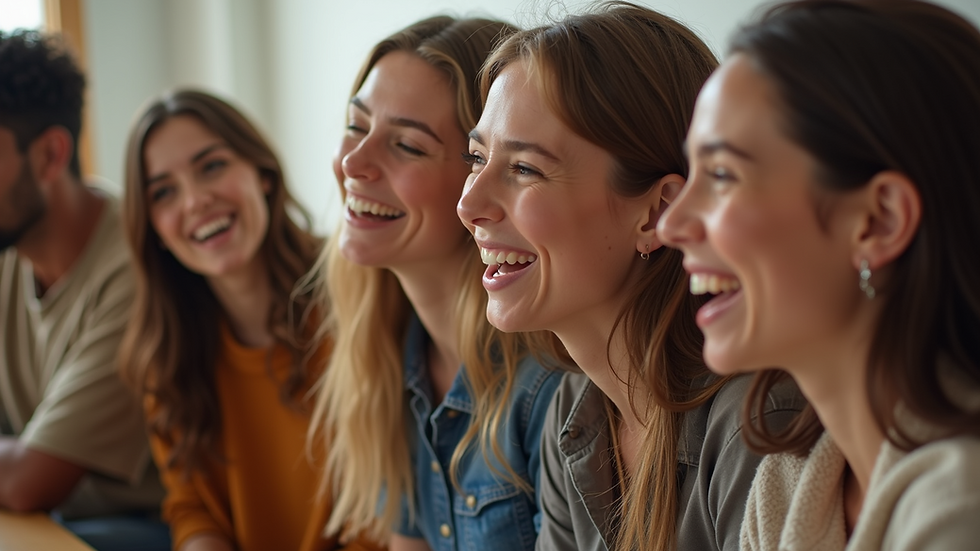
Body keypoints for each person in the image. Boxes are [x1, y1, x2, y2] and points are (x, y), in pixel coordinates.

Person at [456, 3, 805, 551]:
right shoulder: (573, 417)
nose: (469, 204)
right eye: (476, 158)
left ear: (658, 211)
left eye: (524, 168)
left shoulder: (758, 424)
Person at [656, 0, 980, 549]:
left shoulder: (962, 509)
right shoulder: (785, 488)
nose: (672, 223)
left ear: (879, 221)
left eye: (722, 174)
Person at [309, 16, 569, 551]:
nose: (355, 162)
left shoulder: (549, 388)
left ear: (482, 175)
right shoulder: (389, 362)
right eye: (357, 127)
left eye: (406, 145)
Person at [117, 89, 380, 551]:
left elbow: (389, 507)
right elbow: (190, 506)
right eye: (164, 192)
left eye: (211, 166)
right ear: (153, 228)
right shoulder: (166, 352)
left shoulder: (358, 298)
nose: (196, 200)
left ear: (262, 173)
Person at [0, 29, 168, 550]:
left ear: (50, 155)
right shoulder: (9, 249)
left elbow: (28, 481)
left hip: (142, 528)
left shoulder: (138, 271)